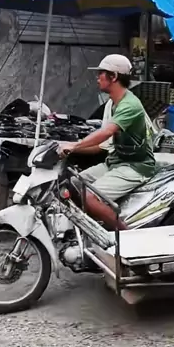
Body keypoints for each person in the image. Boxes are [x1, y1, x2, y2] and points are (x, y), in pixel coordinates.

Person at [59, 54, 156, 230]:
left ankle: (125, 236)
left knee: (89, 196)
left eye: (101, 74)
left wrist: (75, 145)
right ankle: (89, 229)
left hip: (135, 167)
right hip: (115, 162)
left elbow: (106, 133)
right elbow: (102, 146)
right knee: (74, 183)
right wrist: (67, 148)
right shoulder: (112, 104)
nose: (97, 78)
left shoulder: (130, 105)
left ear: (114, 76)